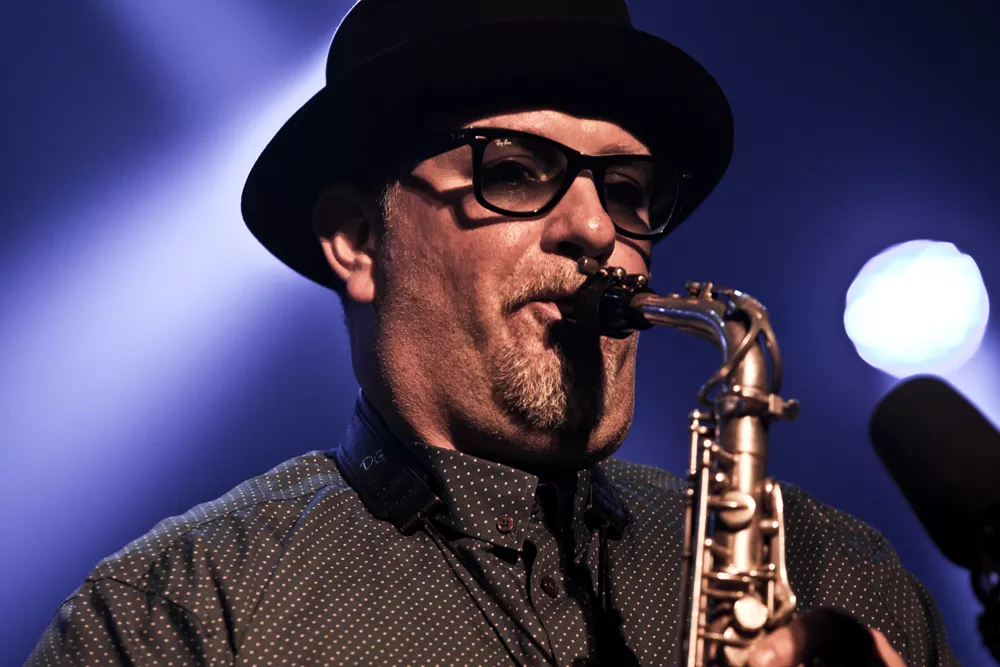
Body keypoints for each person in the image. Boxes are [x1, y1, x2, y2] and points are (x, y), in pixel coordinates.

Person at [28, 0, 958, 665]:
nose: (597, 229)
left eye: (627, 190)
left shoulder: (847, 579)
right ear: (357, 240)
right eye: (514, 170)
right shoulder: (173, 619)